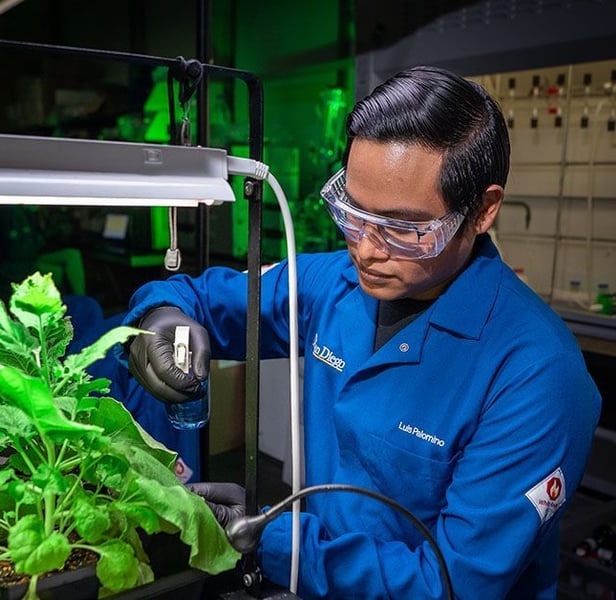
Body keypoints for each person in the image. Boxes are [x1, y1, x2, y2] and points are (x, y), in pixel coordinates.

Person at [122, 66, 602, 599]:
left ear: (483, 210)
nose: (367, 249)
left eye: (403, 228)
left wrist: (275, 540)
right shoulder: (333, 284)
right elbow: (201, 299)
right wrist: (159, 320)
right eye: (352, 211)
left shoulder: (537, 374)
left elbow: (454, 583)